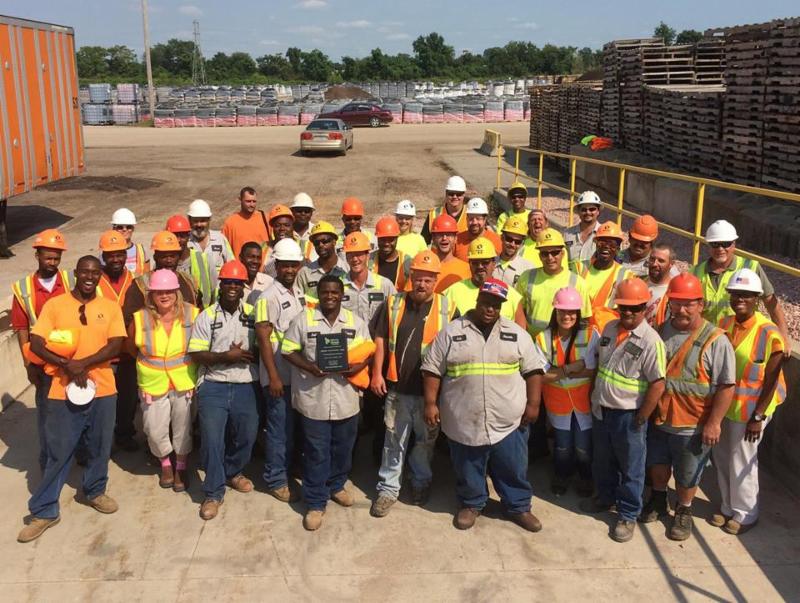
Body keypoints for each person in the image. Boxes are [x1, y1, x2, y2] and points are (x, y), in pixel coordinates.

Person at [422, 279, 547, 532]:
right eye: (486, 303)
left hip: (508, 420)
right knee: (468, 466)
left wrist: (534, 404)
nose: (490, 309)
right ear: (477, 300)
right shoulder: (451, 332)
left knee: (512, 466)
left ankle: (518, 506)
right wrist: (430, 403)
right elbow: (432, 369)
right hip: (463, 419)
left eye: (496, 305)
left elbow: (534, 370)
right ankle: (471, 503)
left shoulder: (516, 334)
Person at [17, 256, 126, 543]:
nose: (90, 277)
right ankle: (44, 510)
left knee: (99, 446)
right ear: (76, 273)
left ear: (100, 276)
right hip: (61, 388)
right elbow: (37, 343)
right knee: (59, 450)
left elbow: (116, 344)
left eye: (95, 273)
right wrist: (67, 365)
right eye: (85, 272)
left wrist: (84, 364)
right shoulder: (55, 305)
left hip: (102, 388)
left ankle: (95, 490)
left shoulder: (109, 307)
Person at [641, 273, 735, 541]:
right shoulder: (660, 331)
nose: (681, 310)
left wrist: (714, 423)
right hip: (660, 419)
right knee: (658, 466)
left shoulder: (716, 340)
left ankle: (684, 509)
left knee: (687, 474)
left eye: (688, 304)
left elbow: (726, 386)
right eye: (676, 303)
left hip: (693, 425)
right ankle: (658, 500)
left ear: (700, 304)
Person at [281, 275, 374, 531]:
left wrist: (357, 367)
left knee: (343, 448)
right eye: (325, 292)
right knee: (316, 452)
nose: (330, 296)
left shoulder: (355, 322)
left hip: (346, 399)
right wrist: (309, 367)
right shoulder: (304, 320)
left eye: (334, 292)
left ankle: (336, 485)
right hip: (314, 400)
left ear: (342, 295)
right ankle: (315, 501)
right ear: (318, 294)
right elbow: (287, 350)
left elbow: (368, 352)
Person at [369, 251, 458, 517]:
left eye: (428, 280)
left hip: (430, 394)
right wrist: (376, 373)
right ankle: (388, 489)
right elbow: (381, 338)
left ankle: (420, 482)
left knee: (424, 442)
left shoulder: (448, 308)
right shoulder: (393, 303)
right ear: (410, 277)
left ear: (436, 280)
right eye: (418, 278)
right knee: (393, 440)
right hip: (397, 389)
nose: (422, 284)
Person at [582, 278, 666, 544]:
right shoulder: (609, 328)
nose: (628, 312)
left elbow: (658, 383)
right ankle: (605, 498)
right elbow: (600, 365)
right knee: (602, 460)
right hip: (602, 409)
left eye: (635, 308)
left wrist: (642, 416)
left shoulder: (651, 341)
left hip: (629, 415)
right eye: (624, 307)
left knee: (631, 467)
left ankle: (628, 514)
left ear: (645, 308)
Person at [712, 268, 787, 535]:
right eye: (735, 294)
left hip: (753, 408)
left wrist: (758, 416)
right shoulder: (724, 324)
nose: (740, 299)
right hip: (726, 405)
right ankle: (728, 506)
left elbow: (772, 379)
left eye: (746, 295)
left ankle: (746, 513)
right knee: (721, 455)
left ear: (757, 299)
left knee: (742, 459)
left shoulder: (769, 333)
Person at [188, 260, 260, 520]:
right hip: (214, 384)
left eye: (237, 283)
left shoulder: (253, 314)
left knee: (247, 434)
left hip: (245, 383)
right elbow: (196, 353)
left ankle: (232, 471)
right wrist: (226, 357)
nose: (232, 287)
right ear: (221, 284)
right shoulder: (207, 316)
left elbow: (264, 345)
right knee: (212, 439)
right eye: (228, 282)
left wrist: (250, 354)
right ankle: (213, 492)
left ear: (243, 287)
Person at [119, 231, 200, 452]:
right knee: (154, 424)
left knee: (183, 422)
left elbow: (196, 317)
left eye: (173, 255)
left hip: (183, 373)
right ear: (155, 255)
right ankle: (159, 454)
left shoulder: (187, 281)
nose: (169, 259)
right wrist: (147, 355)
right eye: (163, 255)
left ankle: (180, 458)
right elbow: (130, 328)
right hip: (153, 372)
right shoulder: (140, 285)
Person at [127, 269, 199, 492]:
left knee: (183, 427)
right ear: (151, 294)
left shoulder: (193, 314)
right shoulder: (140, 318)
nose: (164, 296)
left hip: (183, 380)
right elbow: (130, 347)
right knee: (154, 429)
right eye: (159, 292)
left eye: (169, 291)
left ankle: (181, 465)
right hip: (153, 382)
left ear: (177, 292)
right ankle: (165, 463)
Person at [11, 229, 73, 472]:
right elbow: (21, 328)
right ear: (37, 256)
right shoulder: (23, 288)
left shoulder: (69, 281)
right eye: (48, 258)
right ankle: (48, 458)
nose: (52, 262)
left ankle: (76, 451)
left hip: (71, 359)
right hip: (42, 362)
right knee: (47, 412)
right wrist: (28, 364)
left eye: (56, 258)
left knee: (76, 408)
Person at [255, 239, 307, 503]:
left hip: (296, 376)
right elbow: (264, 339)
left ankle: (291, 467)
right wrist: (273, 376)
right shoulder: (267, 297)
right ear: (276, 266)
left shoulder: (297, 293)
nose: (289, 270)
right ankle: (276, 479)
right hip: (279, 377)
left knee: (294, 428)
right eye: (285, 265)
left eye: (293, 265)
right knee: (278, 430)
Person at [535, 287, 600, 497]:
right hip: (558, 403)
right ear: (555, 311)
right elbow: (541, 375)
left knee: (583, 447)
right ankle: (561, 475)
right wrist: (572, 368)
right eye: (562, 311)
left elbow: (593, 370)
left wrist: (558, 372)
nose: (567, 316)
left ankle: (586, 477)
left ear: (578, 313)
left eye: (572, 312)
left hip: (584, 403)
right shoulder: (543, 338)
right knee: (562, 447)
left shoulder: (591, 334)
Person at [691, 220, 789, 354]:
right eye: (715, 244)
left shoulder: (751, 267)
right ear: (708, 245)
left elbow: (771, 303)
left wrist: (783, 336)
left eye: (726, 244)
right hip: (706, 341)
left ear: (734, 244)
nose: (720, 249)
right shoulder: (695, 272)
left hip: (742, 341)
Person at [515, 228, 593, 337]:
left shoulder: (578, 283)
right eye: (545, 254)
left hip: (563, 343)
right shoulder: (526, 277)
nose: (550, 258)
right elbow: (518, 310)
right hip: (531, 342)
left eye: (554, 252)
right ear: (539, 256)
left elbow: (584, 321)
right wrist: (522, 337)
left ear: (562, 253)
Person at [445, 237, 525, 324]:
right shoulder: (452, 292)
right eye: (475, 263)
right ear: (470, 264)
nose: (480, 266)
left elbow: (521, 330)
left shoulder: (511, 295)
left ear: (494, 264)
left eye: (485, 262)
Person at [575, 221, 634, 334]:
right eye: (602, 242)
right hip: (578, 330)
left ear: (618, 248)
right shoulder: (578, 268)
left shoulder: (626, 276)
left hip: (606, 333)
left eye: (612, 244)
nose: (606, 247)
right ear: (595, 244)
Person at [341, 231, 396, 324]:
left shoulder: (384, 285)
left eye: (359, 254)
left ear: (368, 256)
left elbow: (395, 315)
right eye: (351, 255)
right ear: (346, 257)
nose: (355, 259)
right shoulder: (339, 285)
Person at [168, 214, 216, 307]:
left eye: (182, 236)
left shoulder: (204, 259)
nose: (178, 240)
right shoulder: (163, 262)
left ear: (188, 235)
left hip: (202, 313)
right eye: (174, 236)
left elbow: (214, 291)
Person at [296, 221, 348, 306]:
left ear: (334, 242)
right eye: (316, 243)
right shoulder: (304, 273)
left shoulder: (347, 270)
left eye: (325, 241)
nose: (320, 245)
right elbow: (298, 302)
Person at [187, 198, 234, 275]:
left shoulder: (220, 239)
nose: (199, 225)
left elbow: (232, 264)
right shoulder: (186, 243)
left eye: (203, 221)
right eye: (195, 221)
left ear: (209, 220)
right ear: (189, 220)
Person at [222, 186, 270, 257]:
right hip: (240, 264)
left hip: (263, 263)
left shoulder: (266, 218)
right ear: (240, 199)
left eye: (254, 201)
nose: (251, 205)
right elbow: (224, 248)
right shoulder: (230, 223)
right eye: (248, 201)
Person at [429, 214, 471, 293]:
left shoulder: (467, 269)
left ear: (455, 238)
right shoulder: (425, 266)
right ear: (433, 238)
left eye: (448, 234)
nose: (444, 238)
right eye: (440, 234)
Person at [421, 175, 469, 244]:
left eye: (459, 194)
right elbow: (423, 243)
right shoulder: (434, 214)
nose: (455, 197)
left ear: (464, 195)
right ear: (446, 194)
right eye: (451, 194)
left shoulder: (471, 213)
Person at [453, 197, 502, 262]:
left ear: (485, 220)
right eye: (471, 219)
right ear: (466, 219)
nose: (474, 222)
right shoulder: (457, 240)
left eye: (478, 218)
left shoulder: (496, 240)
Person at [369, 216, 411, 291]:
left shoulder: (407, 262)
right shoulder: (369, 259)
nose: (386, 244)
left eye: (391, 240)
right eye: (383, 239)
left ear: (397, 239)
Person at [564, 191, 602, 268]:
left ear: (598, 211)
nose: (588, 212)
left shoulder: (605, 234)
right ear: (578, 211)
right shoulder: (567, 234)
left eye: (592, 209)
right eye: (584, 210)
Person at [493, 215, 534, 288]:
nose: (512, 244)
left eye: (517, 241)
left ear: (522, 244)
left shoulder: (528, 269)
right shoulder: (490, 263)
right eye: (509, 239)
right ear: (502, 237)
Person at [97, 230, 135, 304]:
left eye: (119, 255)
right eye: (110, 256)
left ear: (126, 256)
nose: (115, 260)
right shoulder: (95, 280)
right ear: (103, 257)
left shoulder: (135, 279)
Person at [644, 242, 677, 327]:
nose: (654, 264)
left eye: (661, 261)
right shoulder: (639, 282)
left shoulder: (674, 292)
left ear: (671, 264)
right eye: (652, 259)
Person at [110, 208, 150, 277]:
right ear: (114, 229)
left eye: (128, 227)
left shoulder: (142, 250)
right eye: (120, 227)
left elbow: (147, 276)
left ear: (133, 229)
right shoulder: (107, 252)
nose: (124, 230)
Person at [261, 204, 297, 276]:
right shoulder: (262, 248)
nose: (282, 229)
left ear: (292, 226)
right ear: (272, 228)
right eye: (277, 225)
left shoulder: (304, 246)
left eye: (286, 225)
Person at [240, 241, 274, 305]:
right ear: (241, 258)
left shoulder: (269, 283)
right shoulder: (233, 284)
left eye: (258, 258)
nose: (255, 261)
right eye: (251, 257)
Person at [290, 192, 316, 259]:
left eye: (307, 211)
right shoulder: (285, 231)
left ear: (311, 213)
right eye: (299, 211)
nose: (303, 214)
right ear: (292, 211)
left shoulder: (316, 231)